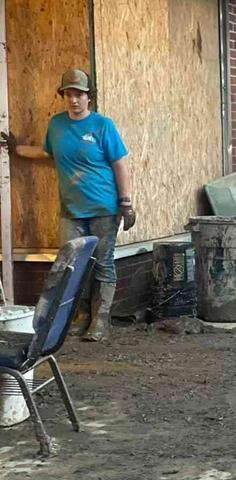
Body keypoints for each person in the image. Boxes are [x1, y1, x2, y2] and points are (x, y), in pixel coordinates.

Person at [2, 69, 135, 342]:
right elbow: (47, 152)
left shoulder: (103, 125)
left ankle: (100, 322)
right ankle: (80, 316)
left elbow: (119, 164)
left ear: (89, 97)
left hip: (103, 208)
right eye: (69, 94)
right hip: (71, 211)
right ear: (63, 96)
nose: (74, 100)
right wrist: (17, 150)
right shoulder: (57, 124)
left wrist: (126, 202)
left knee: (103, 263)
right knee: (74, 265)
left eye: (79, 94)